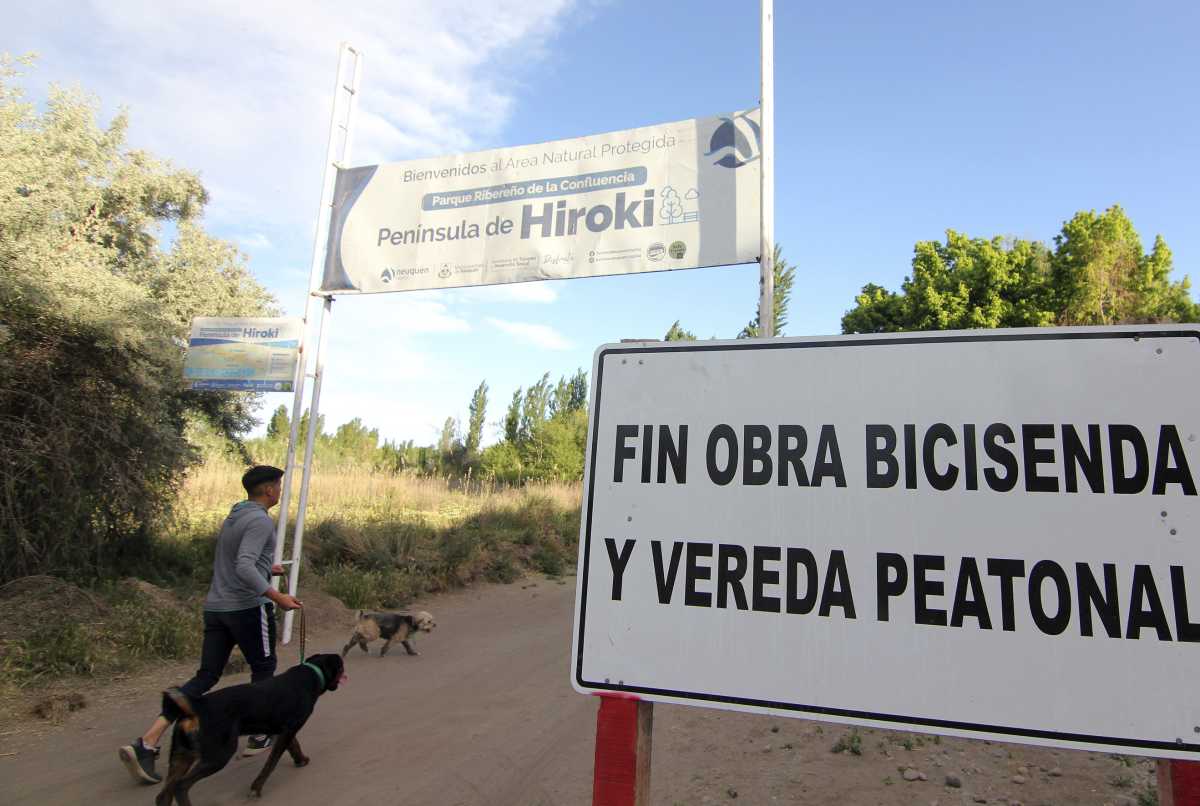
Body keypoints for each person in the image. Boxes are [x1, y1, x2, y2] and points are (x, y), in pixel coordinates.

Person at [118, 465, 302, 785]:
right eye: (279, 486)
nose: (281, 492)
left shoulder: (235, 516)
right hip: (247, 608)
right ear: (269, 490)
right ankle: (260, 735)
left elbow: (239, 560)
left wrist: (265, 566)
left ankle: (147, 742)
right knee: (264, 668)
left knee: (206, 676)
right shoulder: (260, 520)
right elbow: (244, 565)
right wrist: (276, 596)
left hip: (217, 608)